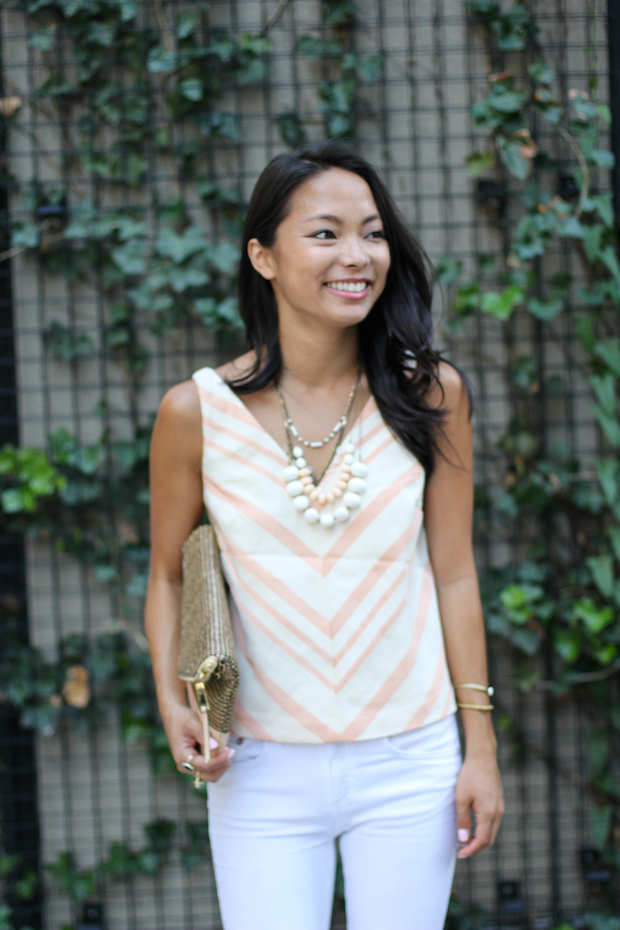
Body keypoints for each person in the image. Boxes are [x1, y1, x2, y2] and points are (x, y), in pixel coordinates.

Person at [145, 141, 504, 930]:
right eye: (326, 233)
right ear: (263, 255)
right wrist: (172, 699)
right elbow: (169, 573)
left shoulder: (431, 393)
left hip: (412, 757)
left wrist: (479, 746)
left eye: (372, 233)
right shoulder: (194, 412)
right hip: (259, 766)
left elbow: (453, 573)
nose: (358, 256)